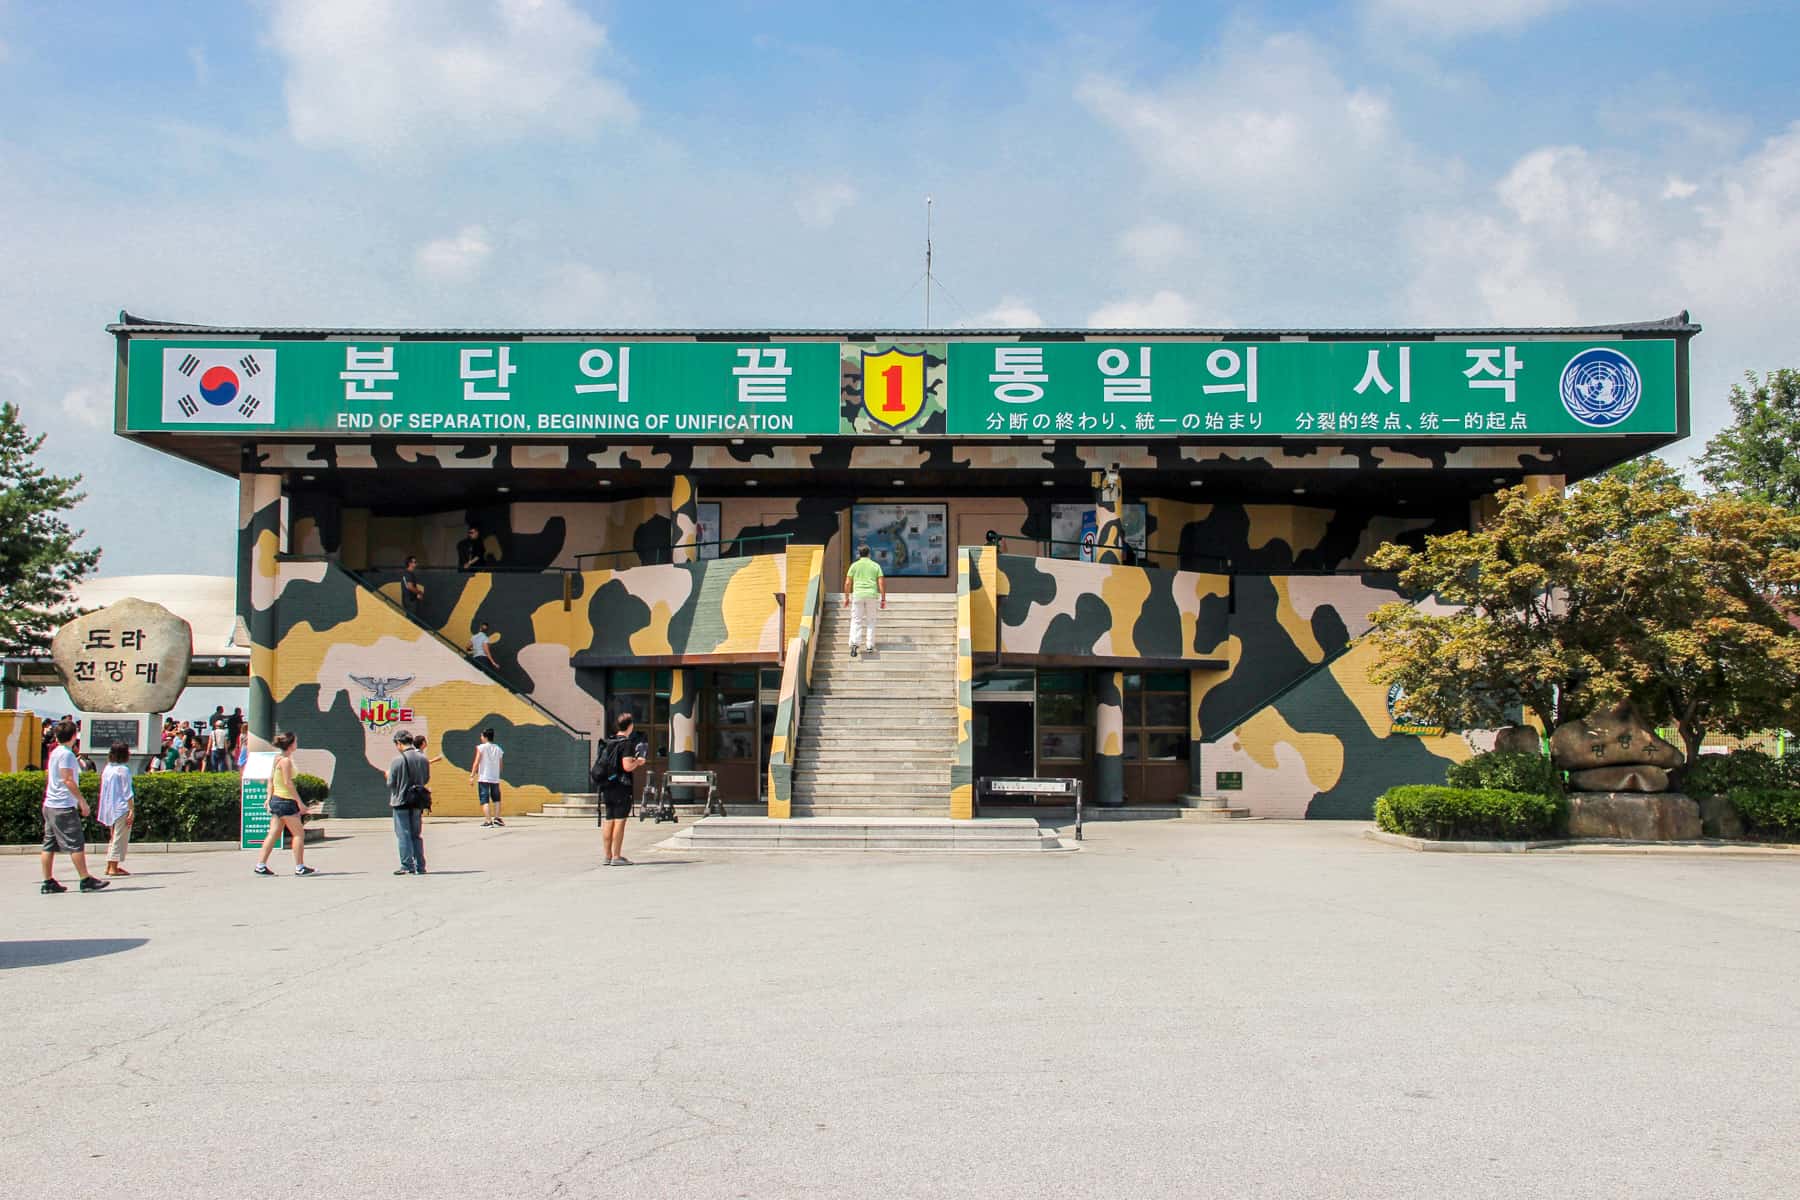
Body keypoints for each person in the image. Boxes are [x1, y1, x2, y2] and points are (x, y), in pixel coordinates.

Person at [39, 720, 108, 893]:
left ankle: (47, 881)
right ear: (74, 736)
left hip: (50, 804)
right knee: (75, 843)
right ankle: (85, 879)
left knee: (48, 844)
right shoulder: (67, 755)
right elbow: (68, 779)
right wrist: (82, 802)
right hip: (63, 806)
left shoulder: (55, 752)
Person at [253, 732, 316, 876]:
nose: (297, 743)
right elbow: (288, 783)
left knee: (273, 834)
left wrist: (269, 798)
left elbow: (270, 780)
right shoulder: (286, 761)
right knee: (299, 834)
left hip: (277, 800)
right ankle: (300, 867)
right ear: (290, 744)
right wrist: (300, 803)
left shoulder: (277, 759)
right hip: (286, 801)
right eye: (295, 741)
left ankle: (260, 865)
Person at [594, 711, 647, 867]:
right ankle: (617, 856)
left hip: (606, 786)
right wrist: (638, 761)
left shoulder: (608, 741)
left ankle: (607, 855)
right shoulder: (627, 744)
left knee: (608, 819)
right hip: (620, 787)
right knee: (620, 821)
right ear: (630, 726)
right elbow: (627, 766)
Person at [387, 729, 430, 875]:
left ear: (399, 743)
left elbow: (391, 782)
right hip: (417, 801)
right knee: (416, 834)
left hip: (401, 801)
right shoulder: (423, 758)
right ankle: (421, 865)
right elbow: (426, 778)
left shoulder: (397, 760)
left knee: (404, 833)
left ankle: (407, 865)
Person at [842, 542, 886, 657]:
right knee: (871, 620)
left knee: (856, 620)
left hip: (858, 595)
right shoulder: (876, 566)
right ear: (869, 554)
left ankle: (854, 645)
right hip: (872, 595)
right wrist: (883, 599)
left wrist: (846, 597)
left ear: (859, 554)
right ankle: (870, 646)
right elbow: (881, 583)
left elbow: (847, 583)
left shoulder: (854, 566)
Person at [98, 741, 135, 877]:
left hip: (109, 807)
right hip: (121, 807)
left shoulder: (108, 768)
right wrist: (131, 810)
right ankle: (113, 866)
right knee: (119, 837)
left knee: (113, 837)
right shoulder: (123, 770)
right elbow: (128, 792)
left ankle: (110, 865)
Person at [471, 727, 505, 828]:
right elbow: (501, 765)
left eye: (481, 736)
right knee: (496, 799)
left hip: (484, 778)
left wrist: (472, 775)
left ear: (485, 737)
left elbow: (476, 762)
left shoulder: (481, 747)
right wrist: (497, 774)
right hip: (495, 778)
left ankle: (488, 821)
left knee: (484, 799)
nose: (480, 737)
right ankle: (497, 818)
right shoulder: (498, 748)